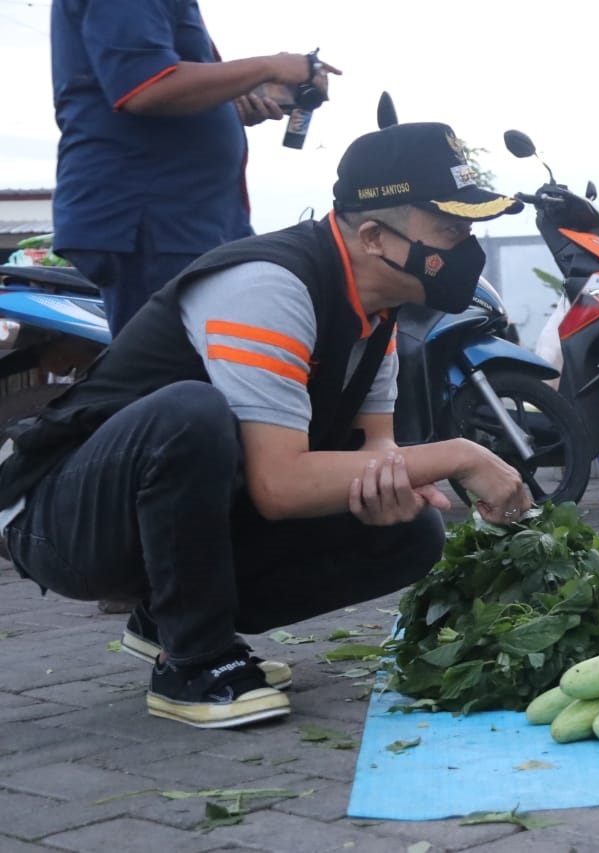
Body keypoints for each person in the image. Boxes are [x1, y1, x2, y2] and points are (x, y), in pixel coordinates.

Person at [0, 119, 532, 729]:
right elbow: (280, 486)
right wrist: (464, 455)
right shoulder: (270, 285)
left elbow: (374, 451)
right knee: (189, 414)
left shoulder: (376, 312)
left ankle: (167, 620)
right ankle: (194, 662)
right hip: (62, 524)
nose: (466, 245)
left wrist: (389, 491)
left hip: (162, 520)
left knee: (411, 533)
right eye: (451, 227)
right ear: (375, 236)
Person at [50, 0, 339, 336]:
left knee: (204, 369)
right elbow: (144, 86)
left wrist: (231, 100)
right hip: (154, 219)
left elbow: (158, 82)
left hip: (189, 220)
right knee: (166, 377)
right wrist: (270, 66)